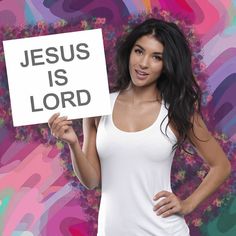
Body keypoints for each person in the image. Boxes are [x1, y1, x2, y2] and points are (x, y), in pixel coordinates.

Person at [48, 18, 231, 236]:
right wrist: (73, 144)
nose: (143, 63)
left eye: (156, 57)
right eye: (139, 51)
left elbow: (221, 165)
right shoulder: (98, 105)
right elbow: (91, 180)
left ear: (166, 65)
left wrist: (188, 204)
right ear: (129, 52)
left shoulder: (177, 110)